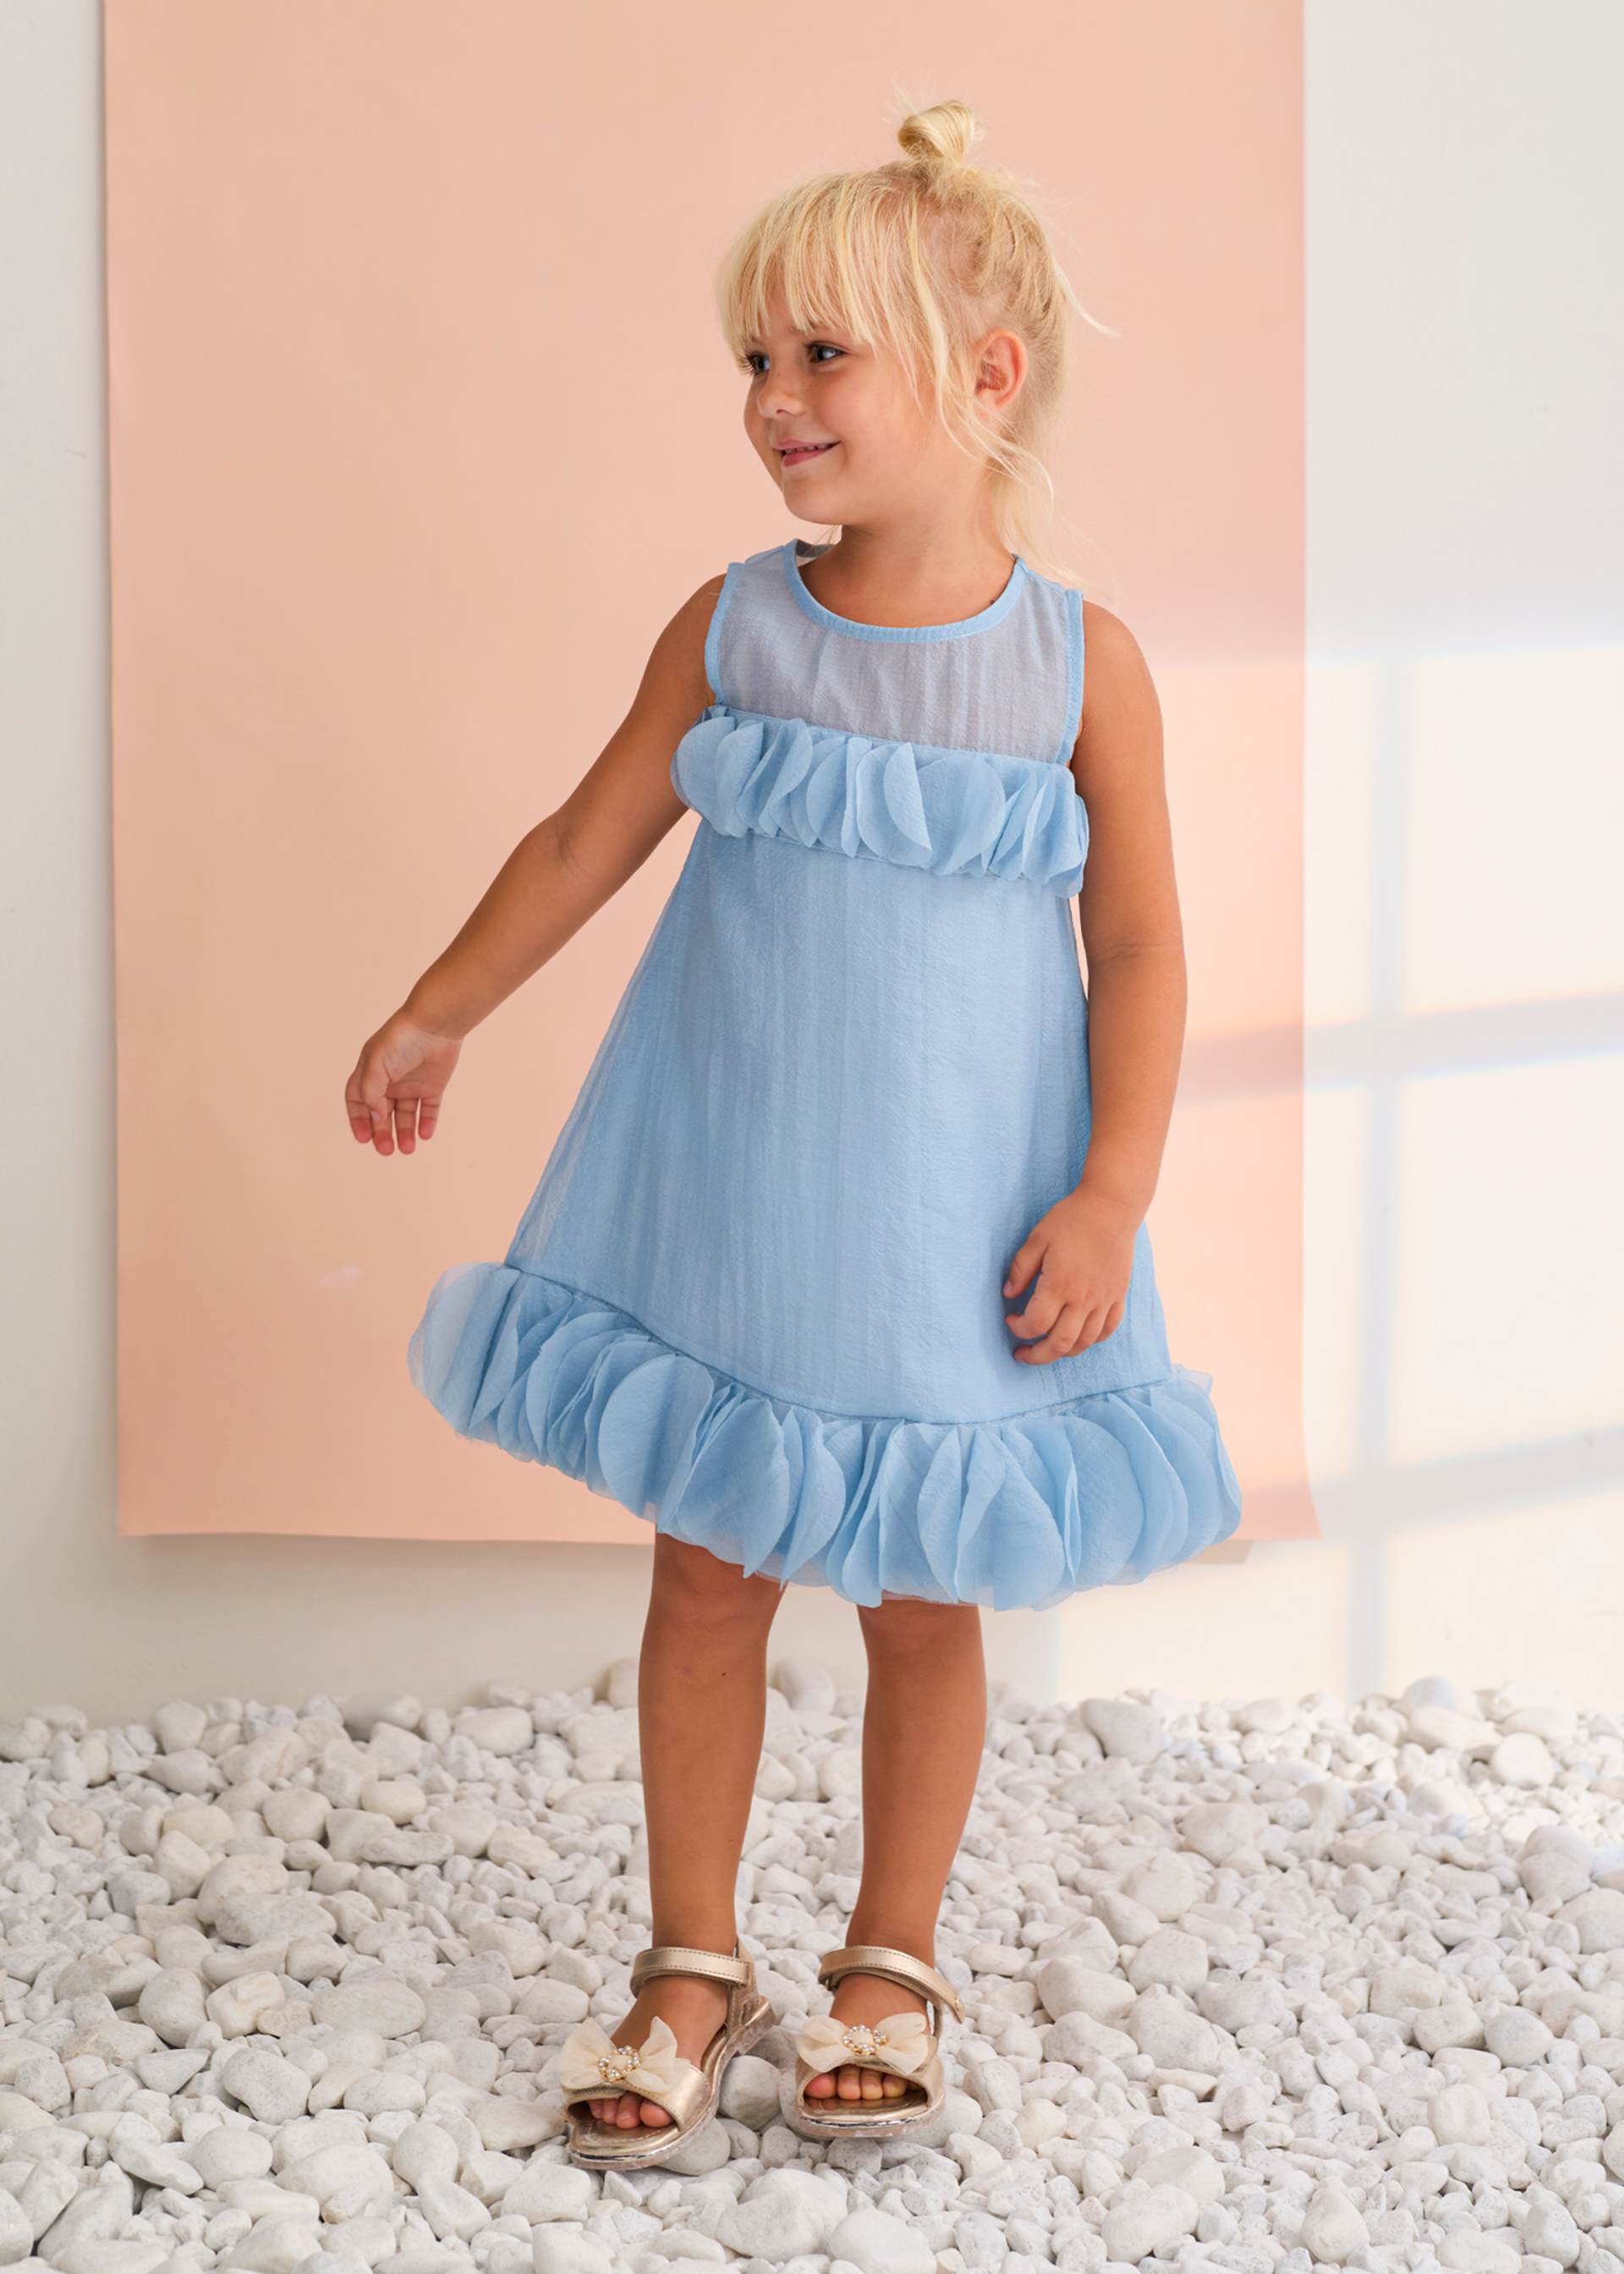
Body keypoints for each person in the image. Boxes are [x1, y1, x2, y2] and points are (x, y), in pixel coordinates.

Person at [344, 97, 1243, 2168]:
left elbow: (1139, 945)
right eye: (755, 357)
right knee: (709, 1564)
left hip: (958, 1226)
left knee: (926, 1591)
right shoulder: (739, 628)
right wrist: (439, 1009)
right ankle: (690, 1957)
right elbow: (583, 838)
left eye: (823, 353)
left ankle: (892, 1959)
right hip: (744, 1201)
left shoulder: (1075, 667)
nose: (772, 397)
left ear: (984, 375)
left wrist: (1112, 1191)